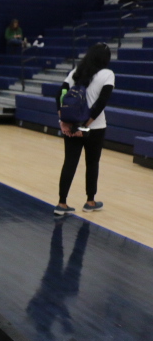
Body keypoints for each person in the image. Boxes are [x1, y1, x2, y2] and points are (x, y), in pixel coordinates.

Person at [54, 43, 114, 216]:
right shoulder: (107, 74)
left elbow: (60, 95)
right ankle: (90, 201)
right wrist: (85, 126)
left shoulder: (75, 72)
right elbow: (100, 104)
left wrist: (63, 122)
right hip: (95, 127)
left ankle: (62, 203)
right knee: (92, 163)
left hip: (71, 125)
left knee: (69, 163)